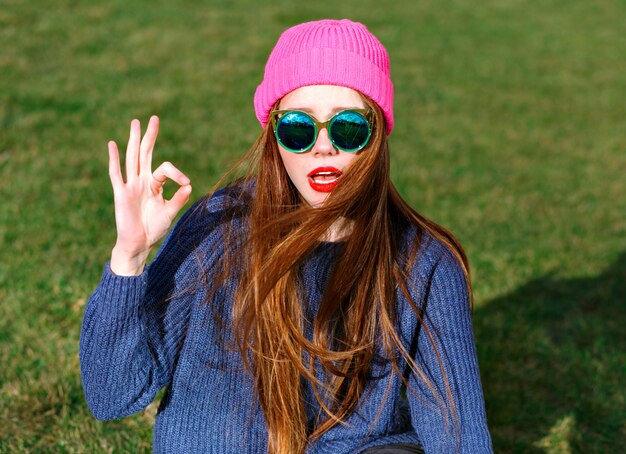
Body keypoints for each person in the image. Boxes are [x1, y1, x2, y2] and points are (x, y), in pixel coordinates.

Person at [79, 19, 493, 453]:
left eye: (348, 126)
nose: (323, 146)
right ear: (274, 135)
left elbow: (458, 433)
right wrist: (129, 258)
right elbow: (113, 396)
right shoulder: (217, 228)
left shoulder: (422, 261)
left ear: (377, 135)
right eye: (298, 127)